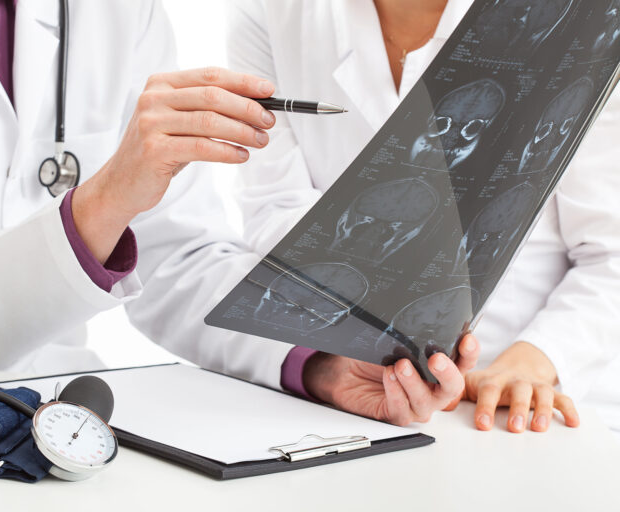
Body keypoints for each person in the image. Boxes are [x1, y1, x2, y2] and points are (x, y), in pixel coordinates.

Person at [0, 0, 476, 428]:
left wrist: (320, 360)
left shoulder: (114, 11)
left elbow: (176, 254)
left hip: (65, 422)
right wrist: (105, 199)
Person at [225, 0, 620, 434]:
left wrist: (532, 360)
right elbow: (274, 213)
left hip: (522, 399)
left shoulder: (583, 22)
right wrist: (342, 342)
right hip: (359, 387)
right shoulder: (271, 14)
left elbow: (610, 255)